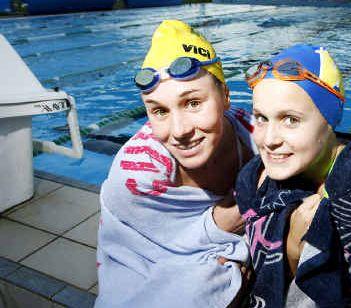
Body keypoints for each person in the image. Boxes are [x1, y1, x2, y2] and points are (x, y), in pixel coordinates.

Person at [95, 20, 256, 307]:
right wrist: (224, 232)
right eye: (159, 110)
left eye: (193, 103)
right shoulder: (136, 174)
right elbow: (141, 252)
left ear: (226, 96)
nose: (179, 130)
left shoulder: (254, 134)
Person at [235, 44, 351, 307]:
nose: (269, 140)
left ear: (330, 121)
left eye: (290, 120)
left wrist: (295, 248)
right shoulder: (254, 176)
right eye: (261, 118)